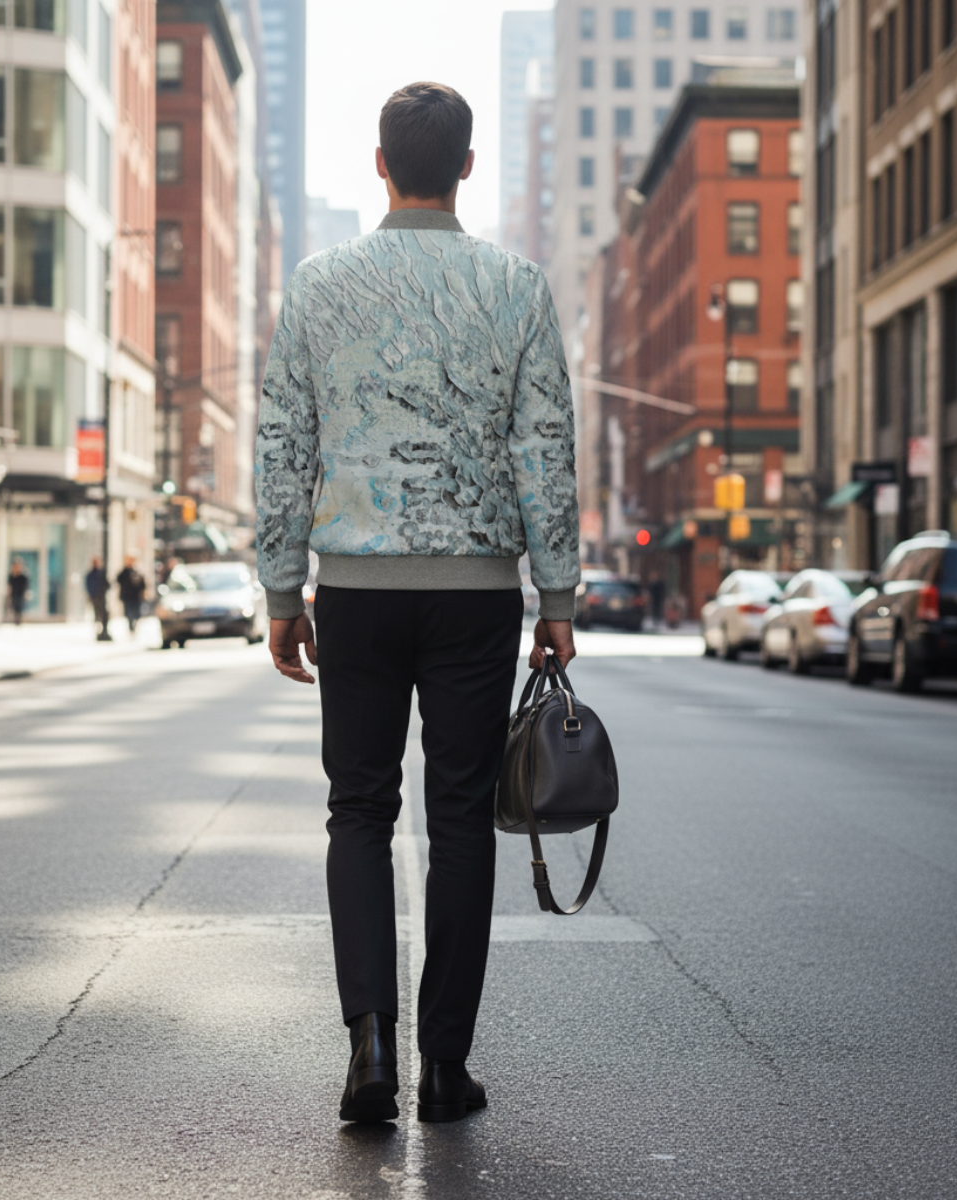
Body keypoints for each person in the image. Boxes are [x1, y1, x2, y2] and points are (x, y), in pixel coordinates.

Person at [255, 83, 579, 1126]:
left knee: (358, 810)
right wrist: (557, 594)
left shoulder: (319, 286)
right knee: (461, 819)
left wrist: (281, 588)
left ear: (381, 164)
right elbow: (545, 449)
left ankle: (368, 1048)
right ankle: (444, 1066)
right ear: (467, 167)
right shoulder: (516, 286)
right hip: (475, 595)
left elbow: (284, 444)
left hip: (355, 587)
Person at [115, 556, 146, 634]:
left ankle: (133, 625)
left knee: (136, 612)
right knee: (128, 612)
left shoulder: (136, 572)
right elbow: (118, 580)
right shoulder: (124, 572)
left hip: (135, 596)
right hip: (126, 596)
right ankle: (130, 626)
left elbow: (142, 584)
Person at [85, 558, 110, 638]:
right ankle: (98, 629)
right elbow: (88, 586)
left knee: (103, 613)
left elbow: (107, 584)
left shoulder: (101, 574)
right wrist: (91, 595)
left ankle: (102, 629)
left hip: (101, 597)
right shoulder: (91, 574)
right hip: (95, 597)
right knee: (97, 613)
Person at [7, 558, 30, 625]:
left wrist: (26, 594)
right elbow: (9, 586)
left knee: (20, 607)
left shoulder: (23, 576)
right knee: (14, 607)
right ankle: (16, 620)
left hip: (21, 595)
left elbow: (26, 586)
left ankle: (19, 620)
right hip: (14, 594)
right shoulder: (12, 576)